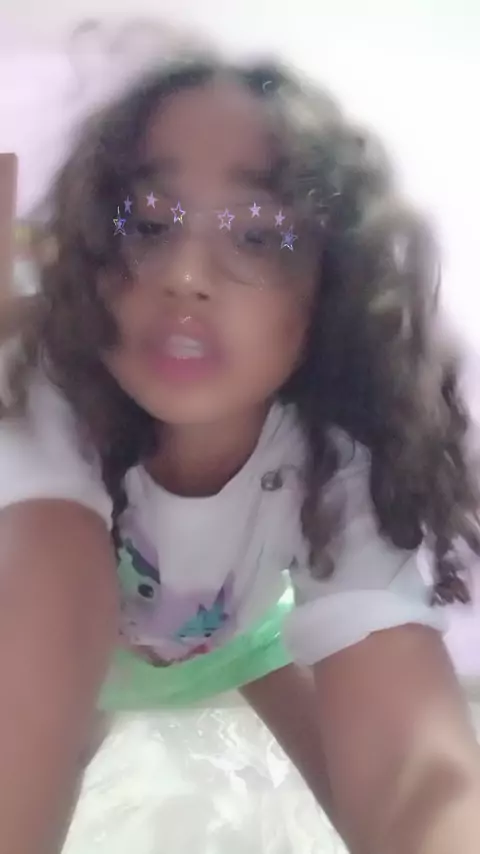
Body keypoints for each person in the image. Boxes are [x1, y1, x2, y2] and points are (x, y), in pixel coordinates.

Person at [1, 57, 480, 854]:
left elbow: (418, 772)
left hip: (234, 639)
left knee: (348, 771)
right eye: (146, 224)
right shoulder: (51, 394)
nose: (185, 276)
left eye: (261, 235)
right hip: (98, 655)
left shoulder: (334, 455)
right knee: (61, 739)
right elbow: (48, 600)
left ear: (331, 286)